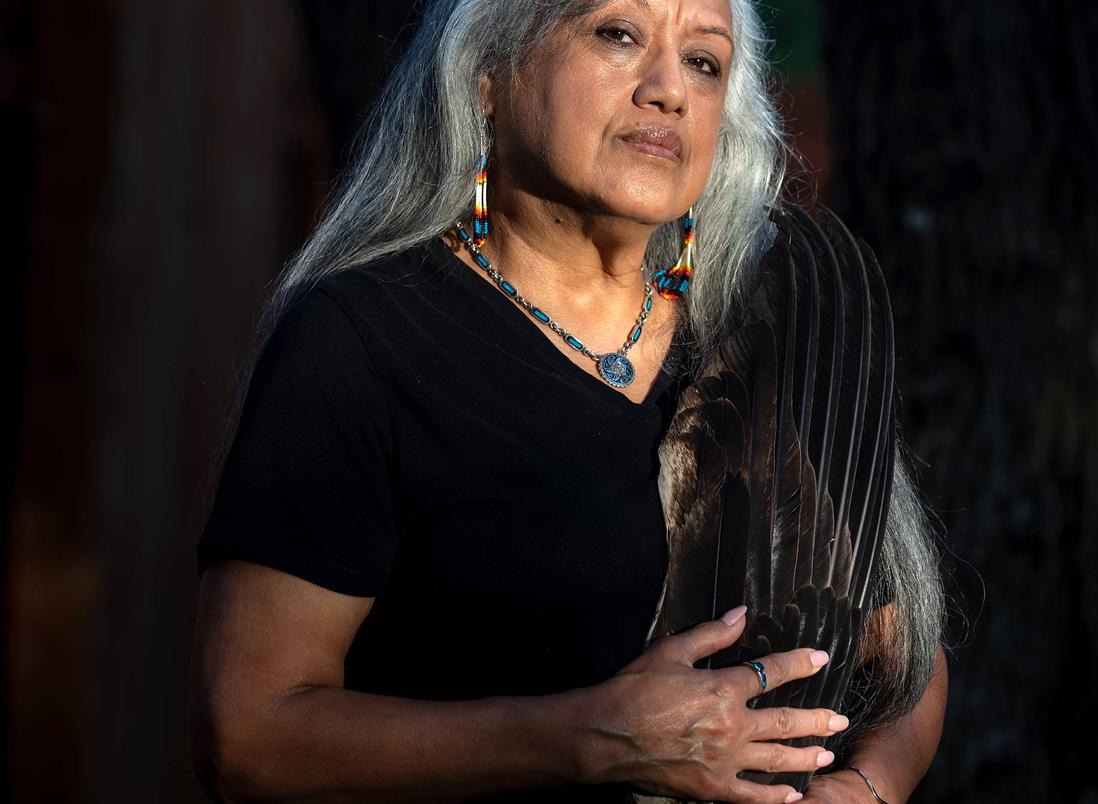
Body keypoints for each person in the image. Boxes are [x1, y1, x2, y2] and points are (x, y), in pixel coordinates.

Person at [187, 0, 948, 802]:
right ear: (486, 75)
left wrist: (869, 787)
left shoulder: (761, 331)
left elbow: (908, 651)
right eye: (617, 35)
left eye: (704, 62)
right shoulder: (359, 341)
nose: (668, 91)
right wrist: (587, 737)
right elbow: (247, 735)